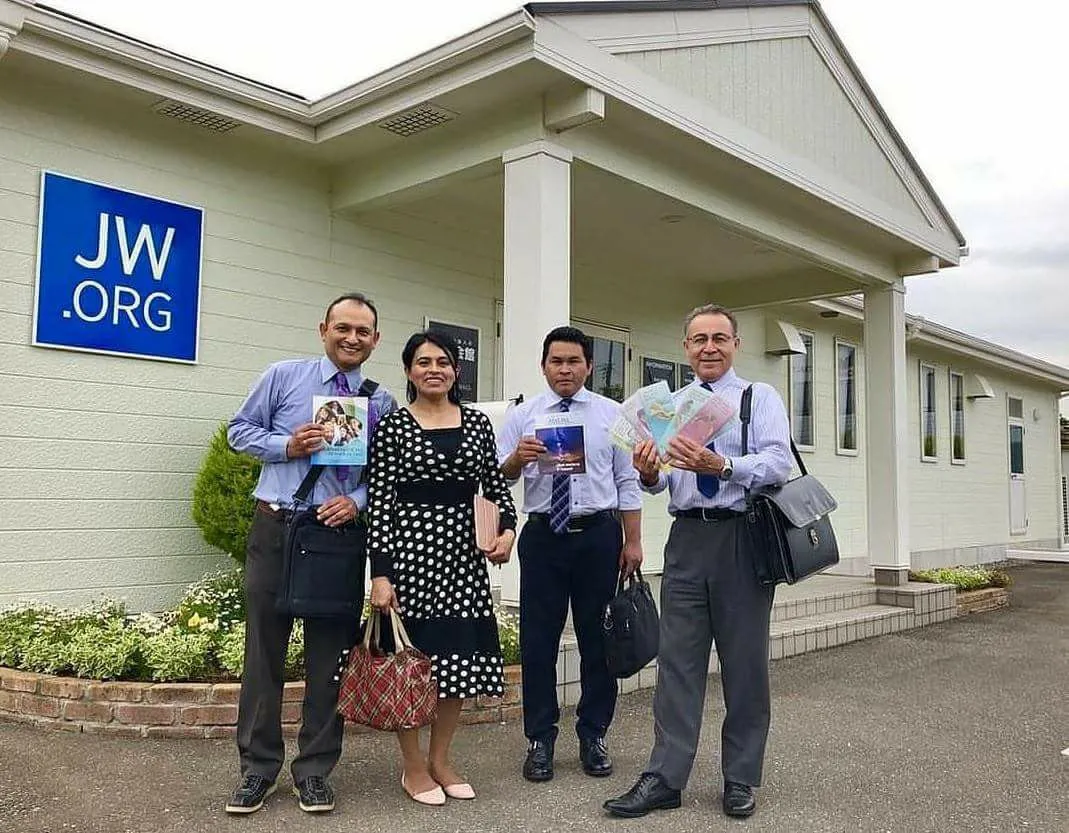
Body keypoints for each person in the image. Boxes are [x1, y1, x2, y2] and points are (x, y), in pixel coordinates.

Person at [604, 304, 792, 821]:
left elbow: (780, 461)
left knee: (744, 663)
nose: (709, 347)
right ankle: (665, 776)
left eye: (719, 338)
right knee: (677, 662)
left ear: (736, 345)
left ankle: (740, 778)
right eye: (698, 339)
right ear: (685, 347)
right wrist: (646, 474)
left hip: (741, 539)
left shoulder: (759, 397)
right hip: (687, 537)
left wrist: (724, 464)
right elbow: (661, 480)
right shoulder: (670, 404)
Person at [224, 292, 397, 815]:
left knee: (330, 660)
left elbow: (381, 475)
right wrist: (287, 446)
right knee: (264, 655)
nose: (352, 338)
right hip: (277, 528)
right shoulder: (283, 376)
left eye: (362, 331)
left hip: (336, 538)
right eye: (342, 328)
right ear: (323, 328)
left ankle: (315, 770)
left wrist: (357, 501)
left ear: (375, 339)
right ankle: (257, 770)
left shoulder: (380, 400)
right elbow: (238, 432)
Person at [366, 329, 518, 806]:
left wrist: (508, 531)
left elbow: (496, 487)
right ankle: (412, 766)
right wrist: (381, 574)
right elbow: (380, 502)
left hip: (462, 561)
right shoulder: (392, 425)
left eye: (444, 362)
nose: (435, 369)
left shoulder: (476, 424)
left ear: (456, 371)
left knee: (455, 664)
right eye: (424, 362)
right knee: (411, 665)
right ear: (410, 371)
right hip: (411, 560)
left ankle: (442, 759)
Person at [497, 326, 644, 783]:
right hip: (543, 536)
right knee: (538, 642)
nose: (565, 369)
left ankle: (593, 734)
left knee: (596, 641)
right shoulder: (522, 416)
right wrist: (518, 460)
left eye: (574, 361)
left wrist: (633, 540)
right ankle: (540, 739)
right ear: (543, 366)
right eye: (556, 362)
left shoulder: (613, 414)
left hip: (597, 536)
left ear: (589, 366)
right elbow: (498, 477)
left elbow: (627, 481)